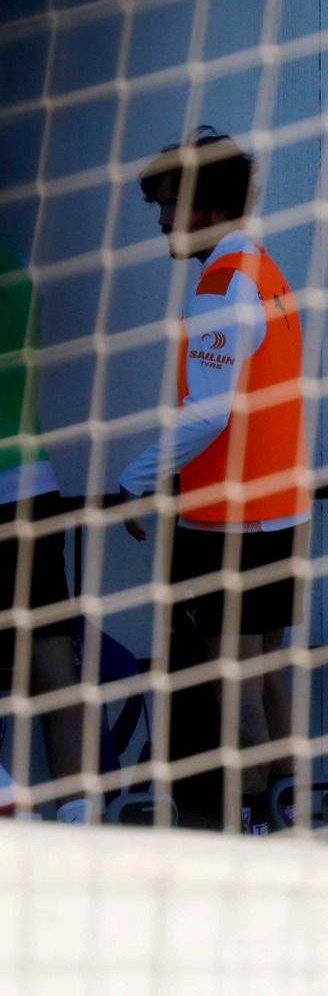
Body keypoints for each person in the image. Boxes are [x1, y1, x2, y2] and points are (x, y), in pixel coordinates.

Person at [119, 128, 309, 835]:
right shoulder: (265, 270)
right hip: (278, 510)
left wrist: (135, 479)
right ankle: (292, 812)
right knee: (261, 674)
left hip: (229, 521)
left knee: (234, 683)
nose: (163, 222)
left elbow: (207, 410)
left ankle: (259, 824)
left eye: (169, 204)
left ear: (206, 205)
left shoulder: (222, 285)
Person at [0, 237, 89, 823]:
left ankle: (10, 800)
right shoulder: (18, 262)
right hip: (35, 484)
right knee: (55, 661)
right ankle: (78, 812)